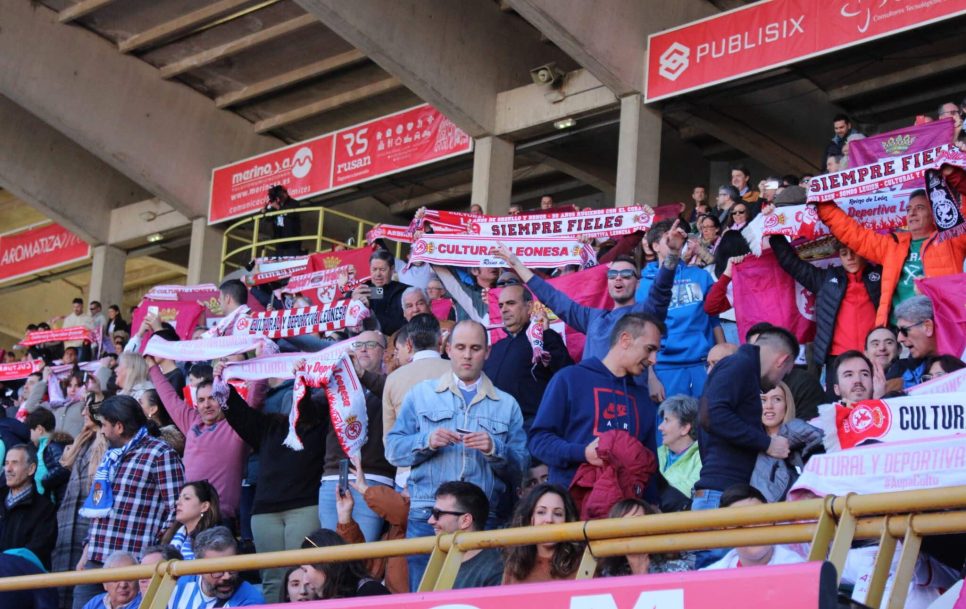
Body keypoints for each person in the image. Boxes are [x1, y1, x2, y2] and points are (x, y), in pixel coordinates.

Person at [386, 320, 528, 591]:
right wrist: (427, 441)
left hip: (482, 517)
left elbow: (521, 467)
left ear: (487, 352)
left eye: (475, 348)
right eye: (460, 347)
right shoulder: (421, 395)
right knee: (426, 599)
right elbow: (393, 450)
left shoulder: (507, 404)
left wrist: (494, 449)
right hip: (429, 516)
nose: (467, 355)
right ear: (447, 349)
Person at [490, 221, 683, 362]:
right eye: (613, 274)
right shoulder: (592, 318)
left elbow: (661, 290)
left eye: (625, 274)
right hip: (593, 403)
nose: (618, 278)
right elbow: (552, 298)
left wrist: (672, 255)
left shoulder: (645, 315)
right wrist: (516, 264)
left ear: (638, 283)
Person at [220, 373, 325, 604]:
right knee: (272, 579)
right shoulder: (270, 425)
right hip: (265, 513)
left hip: (303, 507)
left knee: (303, 575)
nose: (292, 398)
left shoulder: (317, 424)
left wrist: (303, 381)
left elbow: (305, 407)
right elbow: (239, 415)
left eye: (296, 393)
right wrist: (222, 383)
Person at [73, 396, 184, 609]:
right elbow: (98, 508)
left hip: (132, 566)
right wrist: (86, 551)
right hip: (96, 560)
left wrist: (154, 551)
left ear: (119, 426)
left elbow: (177, 508)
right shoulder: (110, 456)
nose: (102, 431)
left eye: (104, 425)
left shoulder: (160, 453)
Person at [529, 313, 662, 489]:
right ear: (625, 340)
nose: (654, 360)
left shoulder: (643, 400)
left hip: (625, 512)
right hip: (572, 507)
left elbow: (648, 468)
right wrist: (582, 453)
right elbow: (539, 441)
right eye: (649, 349)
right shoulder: (569, 379)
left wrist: (651, 505)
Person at [817, 188, 966, 326]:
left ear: (934, 213)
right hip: (899, 333)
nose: (912, 213)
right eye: (909, 209)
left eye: (919, 208)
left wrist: (956, 176)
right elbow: (854, 234)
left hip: (940, 328)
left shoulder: (951, 239)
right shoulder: (892, 244)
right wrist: (821, 202)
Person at [693, 327, 798, 515]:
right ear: (782, 361)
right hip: (720, 495)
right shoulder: (740, 365)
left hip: (725, 493)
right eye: (785, 374)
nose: (777, 383)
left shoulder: (741, 368)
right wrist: (767, 443)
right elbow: (711, 414)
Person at [318, 331, 395, 543]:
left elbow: (388, 391)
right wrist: (305, 384)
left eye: (370, 344)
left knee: (364, 552)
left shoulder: (392, 383)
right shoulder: (337, 385)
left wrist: (362, 374)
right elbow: (309, 416)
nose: (362, 349)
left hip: (373, 478)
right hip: (334, 477)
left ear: (385, 353)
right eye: (358, 344)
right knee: (330, 557)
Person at [148, 359, 245, 520]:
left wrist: (261, 358)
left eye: (212, 398)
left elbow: (256, 397)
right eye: (201, 400)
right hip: (188, 516)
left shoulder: (237, 425)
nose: (206, 405)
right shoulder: (192, 422)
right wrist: (152, 366)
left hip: (219, 517)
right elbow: (170, 398)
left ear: (223, 398)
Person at [769, 234, 881, 371]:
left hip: (877, 355)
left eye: (854, 252)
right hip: (837, 358)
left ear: (863, 251)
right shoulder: (825, 279)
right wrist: (774, 231)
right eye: (844, 253)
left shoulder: (882, 275)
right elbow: (790, 262)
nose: (849, 258)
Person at [638, 219, 720, 398]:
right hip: (665, 369)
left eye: (677, 237)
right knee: (669, 424)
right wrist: (651, 377)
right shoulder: (642, 286)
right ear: (655, 246)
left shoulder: (701, 276)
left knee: (705, 424)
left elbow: (714, 321)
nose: (674, 241)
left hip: (702, 365)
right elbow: (642, 334)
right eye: (668, 238)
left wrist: (723, 362)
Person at [484, 283, 573, 431]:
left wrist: (545, 336)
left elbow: (566, 378)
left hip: (530, 427)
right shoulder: (496, 347)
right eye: (500, 306)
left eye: (511, 303)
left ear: (529, 307)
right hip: (492, 428)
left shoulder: (545, 338)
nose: (504, 309)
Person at [55, 402, 107, 609]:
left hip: (87, 530)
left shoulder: (108, 446)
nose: (83, 412)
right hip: (66, 528)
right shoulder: (82, 442)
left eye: (89, 408)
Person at [382, 314, 451, 443]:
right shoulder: (458, 372)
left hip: (407, 461)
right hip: (454, 458)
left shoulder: (393, 380)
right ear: (441, 340)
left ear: (408, 344)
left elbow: (389, 440)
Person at [702, 484, 804, 569]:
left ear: (772, 520)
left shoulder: (801, 570)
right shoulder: (708, 578)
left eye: (758, 521)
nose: (752, 531)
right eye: (740, 525)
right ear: (724, 530)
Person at [752, 383, 824, 502]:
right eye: (763, 400)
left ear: (787, 405)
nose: (769, 406)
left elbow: (822, 440)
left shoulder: (798, 430)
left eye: (777, 399)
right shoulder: (750, 443)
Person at [426, 481, 503, 589]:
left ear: (465, 520)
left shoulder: (495, 570)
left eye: (437, 514)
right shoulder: (437, 563)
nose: (430, 521)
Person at [502, 483, 582, 584]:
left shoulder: (581, 563)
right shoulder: (514, 564)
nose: (549, 520)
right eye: (541, 512)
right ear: (530, 519)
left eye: (557, 514)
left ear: (567, 520)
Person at [167, 526, 265, 607]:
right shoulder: (176, 586)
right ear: (198, 568)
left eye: (233, 567)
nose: (227, 576)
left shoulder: (250, 600)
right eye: (217, 570)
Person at [0, 444, 57, 568]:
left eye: (14, 463)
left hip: (20, 579)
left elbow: (37, 553)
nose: (8, 469)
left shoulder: (46, 510)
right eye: (6, 463)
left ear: (31, 469)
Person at [299, 529, 390, 598]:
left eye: (306, 570)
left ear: (324, 564)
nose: (305, 581)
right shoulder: (324, 599)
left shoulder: (370, 591)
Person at [655, 395, 701, 513]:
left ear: (685, 427)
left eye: (667, 420)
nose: (660, 427)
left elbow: (689, 491)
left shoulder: (701, 457)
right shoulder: (656, 454)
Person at [160, 481, 222, 560]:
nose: (177, 502)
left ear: (204, 506)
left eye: (187, 498)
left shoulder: (215, 539)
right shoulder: (170, 536)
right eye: (179, 498)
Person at [353, 250, 408, 335]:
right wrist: (352, 302)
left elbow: (398, 325)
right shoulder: (363, 289)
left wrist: (368, 310)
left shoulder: (405, 291)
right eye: (374, 269)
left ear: (392, 269)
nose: (378, 274)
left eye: (382, 269)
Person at [889, 296, 939, 388]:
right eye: (898, 331)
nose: (899, 339)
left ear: (927, 327)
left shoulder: (961, 358)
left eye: (904, 330)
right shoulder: (901, 371)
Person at [24, 407, 70, 504]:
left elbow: (63, 468)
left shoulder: (53, 446)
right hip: (47, 499)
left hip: (57, 501)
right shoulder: (43, 447)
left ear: (39, 429)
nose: (30, 436)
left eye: (31, 431)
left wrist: (44, 481)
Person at [264, 184, 304, 257]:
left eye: (282, 194)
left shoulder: (294, 203)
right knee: (279, 260)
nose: (281, 197)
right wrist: (265, 209)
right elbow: (268, 218)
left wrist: (278, 208)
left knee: (292, 259)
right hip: (279, 238)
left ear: (285, 193)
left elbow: (292, 214)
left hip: (292, 238)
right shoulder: (275, 205)